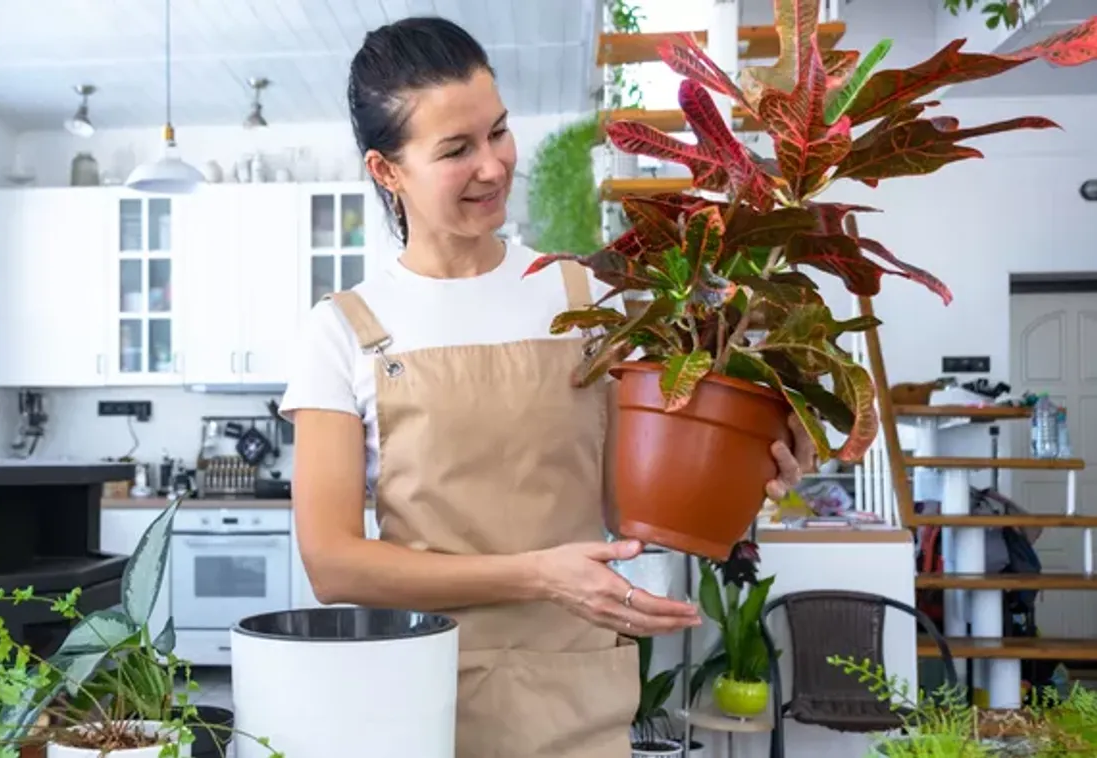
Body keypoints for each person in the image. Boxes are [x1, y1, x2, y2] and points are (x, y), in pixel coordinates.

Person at [279, 16, 817, 758]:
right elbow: (332, 564)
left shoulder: (582, 294)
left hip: (575, 695)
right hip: (418, 697)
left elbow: (631, 502)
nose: (494, 167)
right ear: (386, 171)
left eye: (497, 132)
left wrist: (751, 465)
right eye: (456, 150)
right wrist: (539, 576)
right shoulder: (344, 329)